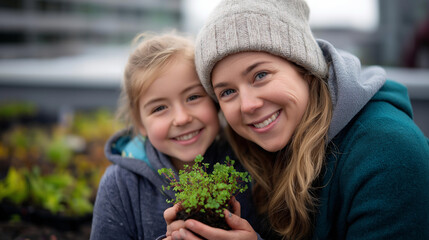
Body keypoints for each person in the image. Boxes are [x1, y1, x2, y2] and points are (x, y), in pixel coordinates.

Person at [163, 0, 429, 239]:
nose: (248, 105)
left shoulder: (390, 153)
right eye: (228, 92)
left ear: (306, 69)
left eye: (260, 75)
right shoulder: (246, 151)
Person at [89, 32, 261, 240]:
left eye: (193, 97)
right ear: (140, 123)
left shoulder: (248, 162)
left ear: (214, 100)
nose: (181, 118)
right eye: (160, 108)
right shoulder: (119, 185)